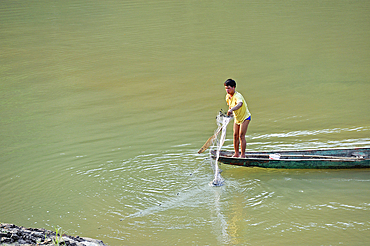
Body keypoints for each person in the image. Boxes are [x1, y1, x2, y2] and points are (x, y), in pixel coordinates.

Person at [224, 79, 251, 158]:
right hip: (237, 118)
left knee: (241, 136)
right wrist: (230, 113)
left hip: (245, 118)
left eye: (229, 88)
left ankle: (242, 155)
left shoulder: (237, 96)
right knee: (235, 135)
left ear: (234, 87)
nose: (227, 90)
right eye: (226, 88)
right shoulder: (227, 97)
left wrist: (232, 110)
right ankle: (236, 153)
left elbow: (240, 104)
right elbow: (230, 106)